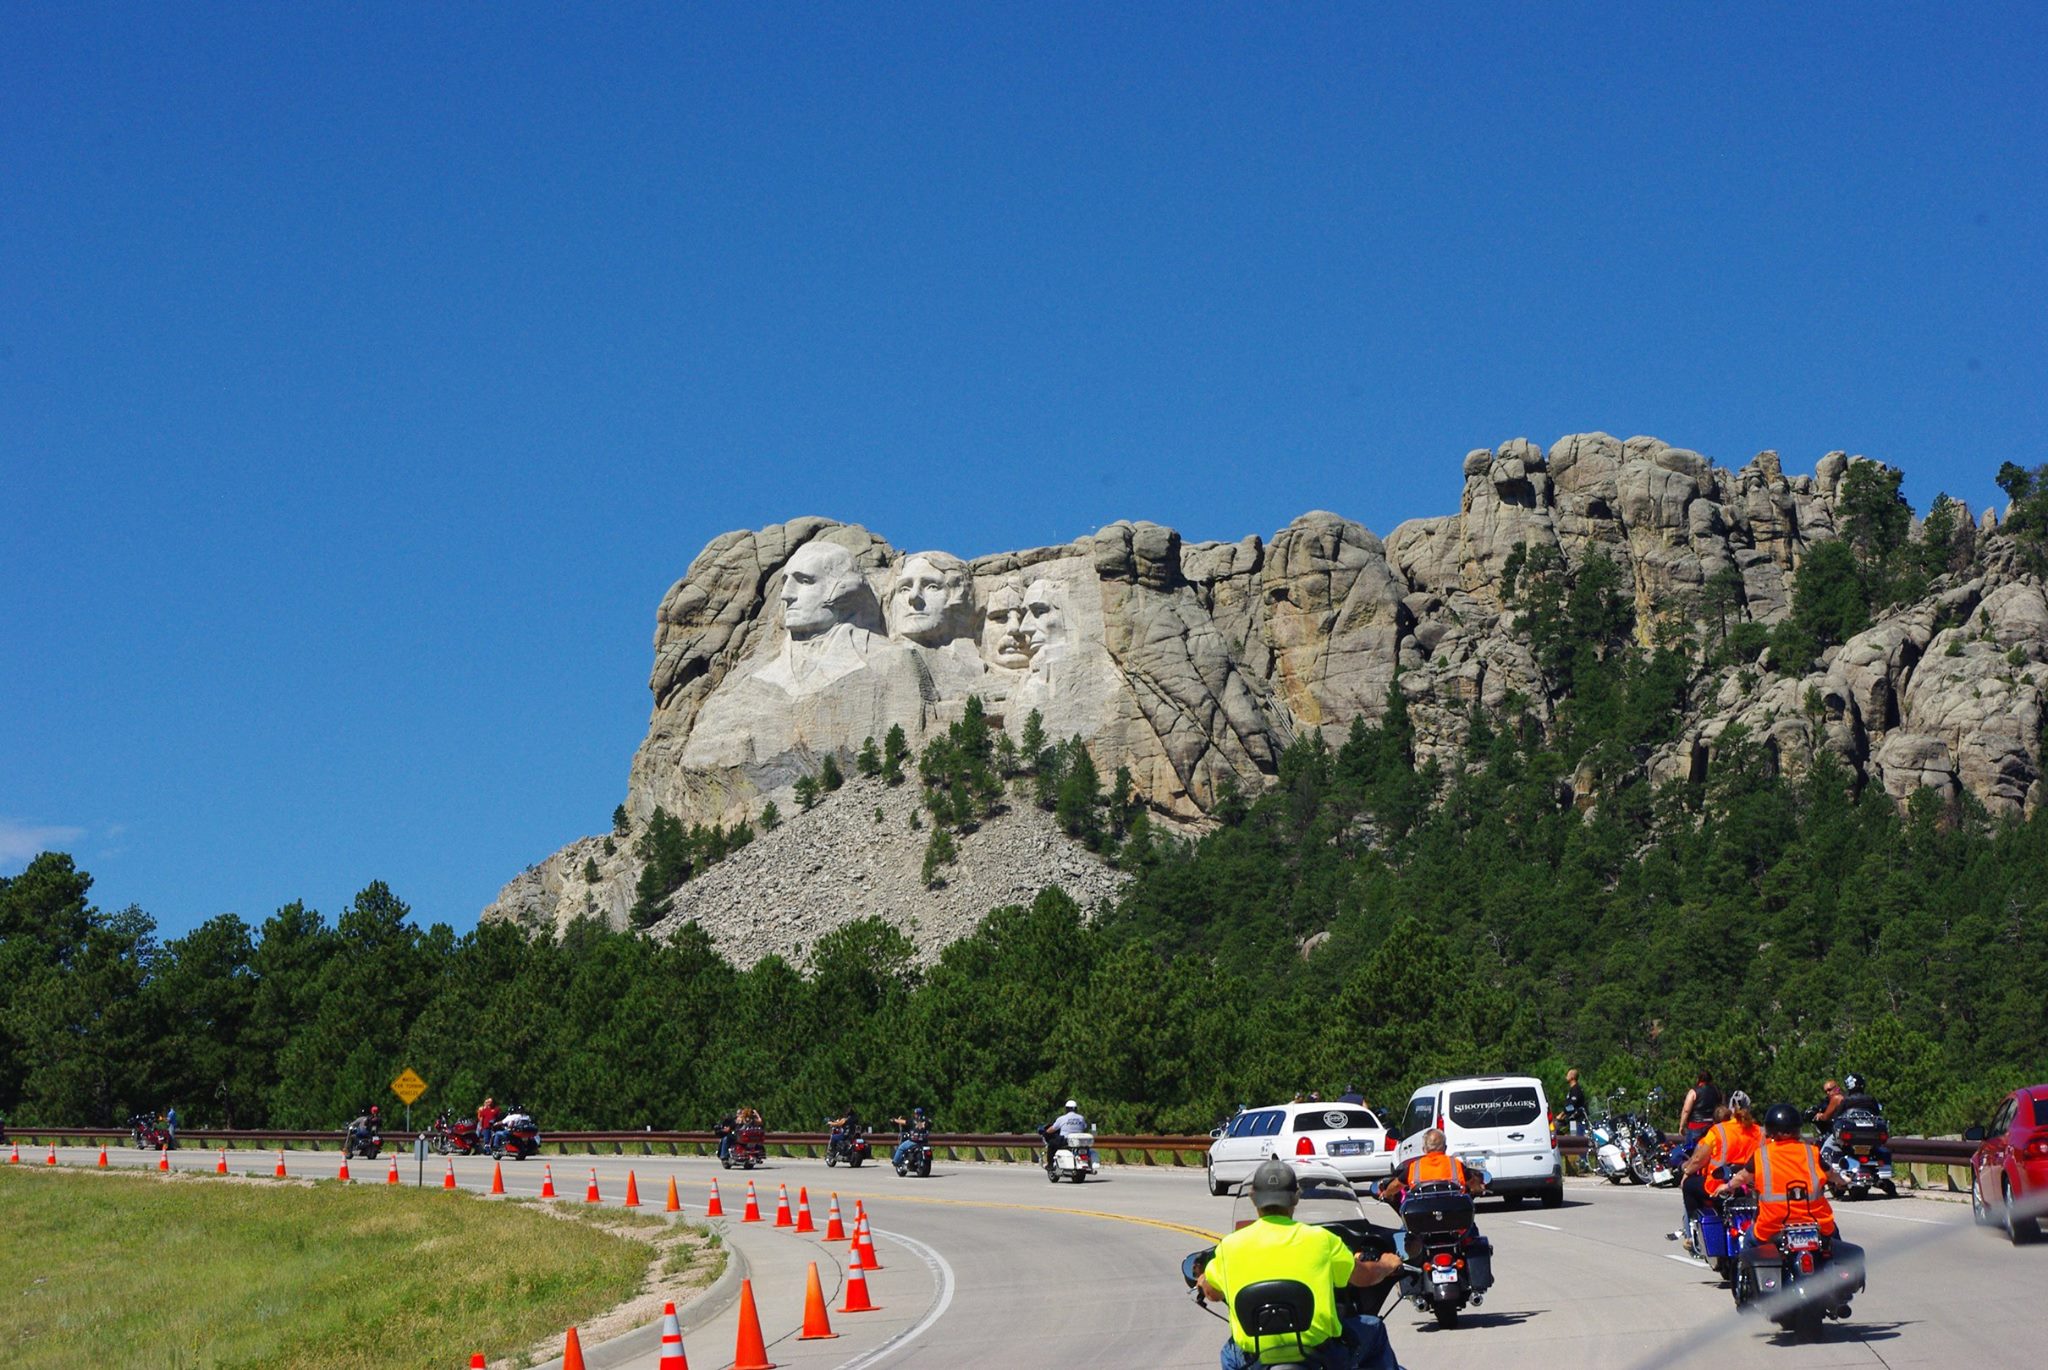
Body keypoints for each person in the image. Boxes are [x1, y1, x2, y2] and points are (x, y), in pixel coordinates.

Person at [1197, 1159, 1403, 1370]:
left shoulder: (1229, 1247)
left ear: (1253, 1198)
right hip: (1322, 1354)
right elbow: (1364, 1276)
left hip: (1254, 1358)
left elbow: (1212, 1292)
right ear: (1296, 1197)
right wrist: (1387, 1264)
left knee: (1229, 1354)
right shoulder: (1322, 1240)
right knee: (1374, 1329)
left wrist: (1204, 1280)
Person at [1735, 1103, 1865, 1298]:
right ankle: (1839, 1288)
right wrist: (1843, 1180)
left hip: (1774, 1226)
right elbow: (1831, 1175)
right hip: (1817, 1224)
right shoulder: (1812, 1152)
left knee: (1749, 1243)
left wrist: (1726, 1185)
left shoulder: (1761, 1156)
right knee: (1834, 1241)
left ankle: (1744, 1292)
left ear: (1770, 1130)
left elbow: (1742, 1178)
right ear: (1797, 1128)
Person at [1381, 1128, 1486, 1207]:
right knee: (1472, 1230)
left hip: (1422, 1219)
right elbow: (1473, 1184)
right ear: (1445, 1148)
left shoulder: (1414, 1167)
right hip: (1453, 1216)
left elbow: (1395, 1186)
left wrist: (1386, 1193)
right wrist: (1479, 1189)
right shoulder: (1456, 1164)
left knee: (1405, 1230)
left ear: (1424, 1149)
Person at [1042, 1099, 1088, 1174]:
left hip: (1066, 1140)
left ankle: (1050, 1165)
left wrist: (1045, 1133)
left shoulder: (1062, 1118)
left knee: (1051, 1145)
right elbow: (1084, 1126)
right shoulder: (1081, 1118)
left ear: (1066, 1109)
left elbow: (1053, 1128)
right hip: (1079, 1140)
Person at [1678, 1071, 1722, 1146]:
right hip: (1711, 1124)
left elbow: (1686, 1110)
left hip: (1695, 1124)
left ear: (1698, 1079)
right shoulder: (1716, 1091)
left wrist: (1682, 1125)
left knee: (1691, 1151)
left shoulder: (1694, 1091)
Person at [1560, 1070, 1589, 1172]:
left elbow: (1572, 1105)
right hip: (1572, 1120)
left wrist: (1561, 1114)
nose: (1566, 1076)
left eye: (1567, 1074)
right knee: (1574, 1140)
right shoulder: (1572, 1089)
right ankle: (1577, 1164)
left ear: (1572, 1077)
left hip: (1579, 1120)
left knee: (1579, 1140)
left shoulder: (1576, 1089)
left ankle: (1583, 1163)